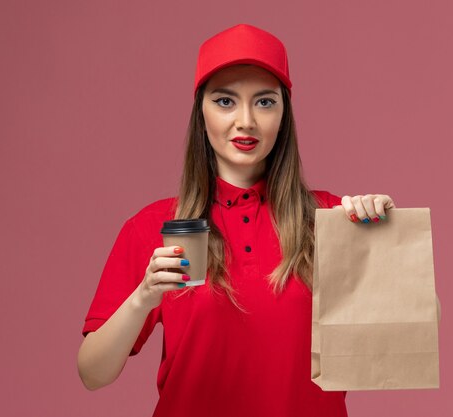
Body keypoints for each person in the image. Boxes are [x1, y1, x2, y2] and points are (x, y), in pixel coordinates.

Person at [77, 23, 397, 416]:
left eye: (264, 102)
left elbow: (408, 328)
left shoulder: (330, 219)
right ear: (201, 113)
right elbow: (93, 373)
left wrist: (384, 237)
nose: (245, 120)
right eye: (225, 101)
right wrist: (143, 297)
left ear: (284, 114)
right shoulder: (154, 226)